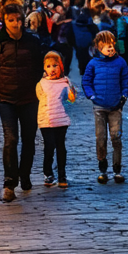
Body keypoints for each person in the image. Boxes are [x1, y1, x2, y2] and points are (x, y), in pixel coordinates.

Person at [0, 3, 46, 202]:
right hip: (6, 97)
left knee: (29, 140)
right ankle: (9, 182)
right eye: (11, 20)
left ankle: (24, 174)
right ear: (4, 21)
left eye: (18, 19)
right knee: (11, 139)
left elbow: (42, 63)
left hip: (30, 97)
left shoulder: (32, 40)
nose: (15, 24)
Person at [82, 30, 128, 184]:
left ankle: (117, 168)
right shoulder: (93, 63)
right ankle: (102, 165)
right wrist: (91, 95)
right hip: (99, 106)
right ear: (99, 48)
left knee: (116, 136)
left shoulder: (120, 62)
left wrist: (124, 95)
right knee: (101, 137)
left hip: (115, 106)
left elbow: (127, 80)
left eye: (112, 45)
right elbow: (87, 81)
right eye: (106, 46)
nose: (110, 48)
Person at [37, 51, 76, 187]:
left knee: (61, 147)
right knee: (49, 146)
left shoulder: (64, 83)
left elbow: (71, 99)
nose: (52, 69)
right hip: (46, 120)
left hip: (60, 119)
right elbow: (39, 97)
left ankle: (62, 174)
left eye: (55, 66)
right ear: (44, 67)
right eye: (48, 66)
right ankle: (48, 173)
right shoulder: (41, 83)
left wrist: (70, 88)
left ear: (60, 67)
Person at [71, 8, 99, 75]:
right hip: (88, 45)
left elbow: (70, 36)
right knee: (88, 57)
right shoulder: (91, 25)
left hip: (78, 45)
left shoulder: (74, 26)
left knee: (80, 57)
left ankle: (82, 70)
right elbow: (96, 33)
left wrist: (73, 44)